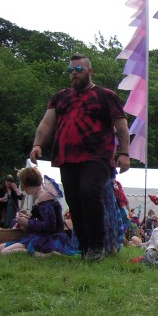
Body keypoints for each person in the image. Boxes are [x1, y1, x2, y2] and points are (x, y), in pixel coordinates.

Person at [28, 53, 131, 262]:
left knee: (88, 194)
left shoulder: (105, 95)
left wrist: (125, 153)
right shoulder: (60, 97)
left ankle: (97, 246)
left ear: (90, 71)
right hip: (66, 157)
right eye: (70, 70)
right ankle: (85, 248)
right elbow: (46, 123)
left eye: (78, 69)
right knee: (74, 202)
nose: (73, 73)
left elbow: (121, 127)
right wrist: (37, 144)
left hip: (97, 156)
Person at [0, 167, 78, 257]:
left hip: (50, 239)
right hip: (42, 236)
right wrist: (27, 216)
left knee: (4, 252)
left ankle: (45, 255)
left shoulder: (44, 197)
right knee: (0, 248)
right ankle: (35, 253)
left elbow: (50, 226)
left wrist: (27, 222)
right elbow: (43, 219)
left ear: (24, 183)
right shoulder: (40, 196)